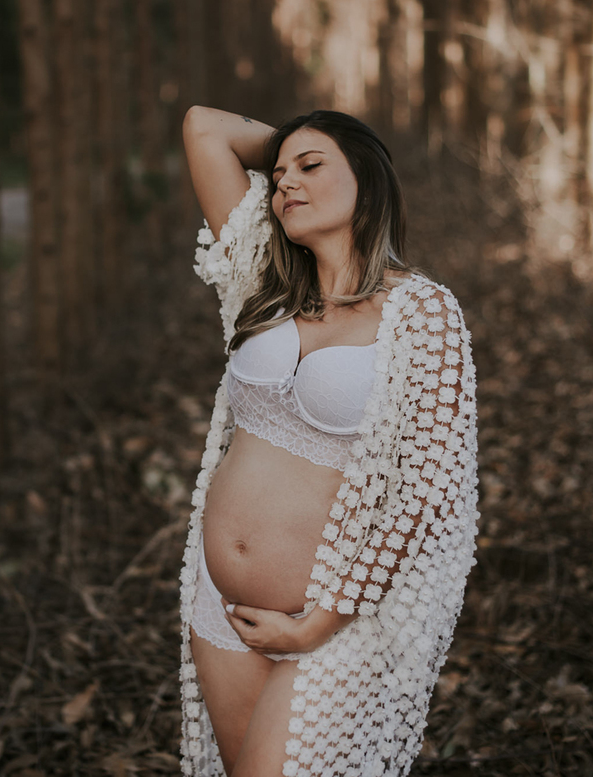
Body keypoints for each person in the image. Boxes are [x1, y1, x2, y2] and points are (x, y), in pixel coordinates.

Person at [178, 105, 479, 777]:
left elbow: (427, 492)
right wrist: (297, 155)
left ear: (367, 181)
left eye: (311, 167)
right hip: (222, 609)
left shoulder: (423, 312)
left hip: (338, 621)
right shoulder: (265, 281)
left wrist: (318, 622)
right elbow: (203, 127)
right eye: (278, 174)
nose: (285, 182)